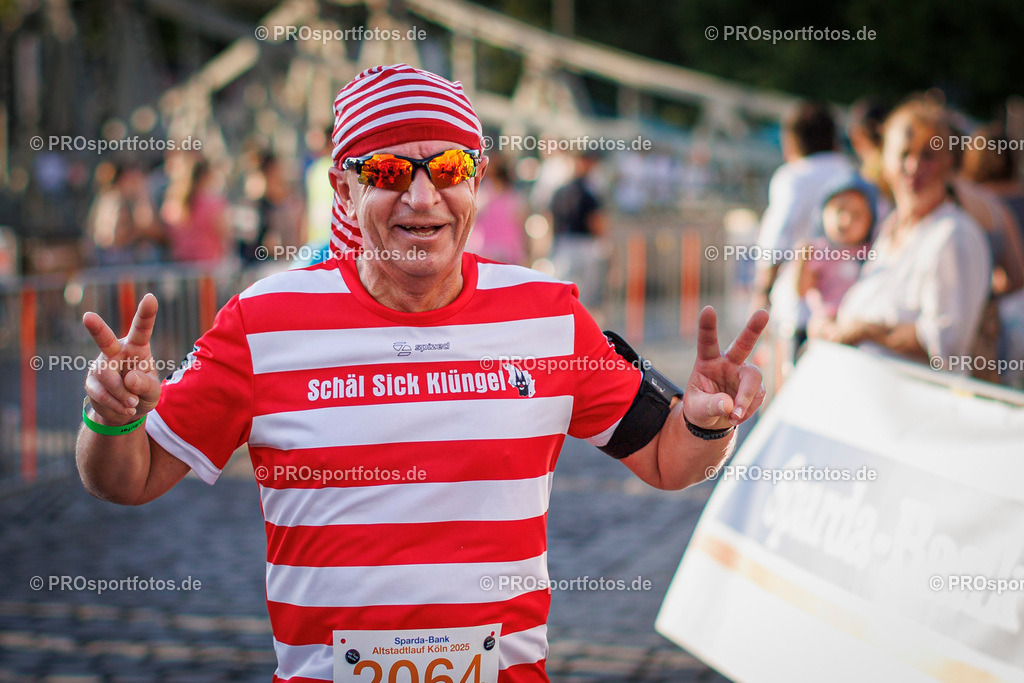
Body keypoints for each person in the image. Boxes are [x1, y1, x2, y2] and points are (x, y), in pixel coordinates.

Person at [75, 64, 768, 683]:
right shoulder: (265, 321)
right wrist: (112, 415)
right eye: (385, 172)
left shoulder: (548, 314)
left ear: (476, 177)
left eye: (449, 169)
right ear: (342, 188)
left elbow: (667, 460)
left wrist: (706, 425)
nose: (421, 196)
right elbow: (126, 477)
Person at [813, 100, 992, 366]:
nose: (913, 166)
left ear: (948, 162)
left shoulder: (954, 235)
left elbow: (947, 345)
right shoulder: (890, 228)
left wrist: (864, 331)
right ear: (885, 160)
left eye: (928, 155)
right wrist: (831, 323)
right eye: (904, 153)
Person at [752, 101, 856, 359]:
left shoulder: (792, 178)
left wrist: (761, 294)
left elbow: (777, 240)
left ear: (790, 141)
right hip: (846, 309)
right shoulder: (852, 174)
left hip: (799, 309)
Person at [796, 174, 877, 335]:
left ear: (870, 221)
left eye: (856, 215)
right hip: (826, 321)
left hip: (861, 322)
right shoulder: (818, 251)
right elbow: (803, 290)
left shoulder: (874, 251)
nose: (845, 220)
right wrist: (801, 263)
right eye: (839, 211)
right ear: (822, 214)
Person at [549, 151, 608, 309]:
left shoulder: (562, 191)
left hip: (566, 244)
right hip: (580, 244)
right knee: (584, 294)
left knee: (565, 290)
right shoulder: (586, 191)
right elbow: (595, 221)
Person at [162, 158, 230, 264]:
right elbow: (225, 233)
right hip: (208, 268)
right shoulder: (213, 204)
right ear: (206, 176)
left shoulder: (173, 204)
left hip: (180, 266)